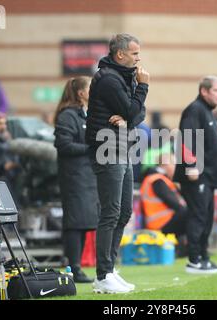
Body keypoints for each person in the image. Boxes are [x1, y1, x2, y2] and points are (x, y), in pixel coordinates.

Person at [86, 33, 149, 293]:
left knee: (124, 212)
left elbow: (137, 113)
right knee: (111, 213)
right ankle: (102, 274)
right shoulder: (109, 79)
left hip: (122, 148)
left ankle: (109, 269)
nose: (138, 58)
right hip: (107, 150)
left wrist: (127, 118)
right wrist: (143, 88)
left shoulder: (123, 77)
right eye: (135, 54)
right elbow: (135, 110)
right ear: (120, 54)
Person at [173, 75, 217, 274]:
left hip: (209, 176)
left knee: (206, 217)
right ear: (204, 91)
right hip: (197, 175)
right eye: (216, 91)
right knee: (198, 216)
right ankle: (194, 260)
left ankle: (203, 257)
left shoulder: (208, 113)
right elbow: (187, 138)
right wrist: (191, 165)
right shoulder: (195, 110)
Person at [53, 76, 99, 283]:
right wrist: (91, 149)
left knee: (83, 223)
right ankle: (74, 268)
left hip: (87, 177)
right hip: (74, 178)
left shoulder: (85, 114)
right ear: (81, 93)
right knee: (75, 223)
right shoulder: (67, 116)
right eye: (91, 87)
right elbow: (63, 145)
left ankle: (77, 267)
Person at [140, 153, 188, 242]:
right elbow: (176, 204)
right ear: (165, 164)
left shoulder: (158, 179)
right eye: (174, 164)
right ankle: (194, 249)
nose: (176, 167)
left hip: (162, 223)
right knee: (191, 212)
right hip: (159, 226)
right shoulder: (157, 180)